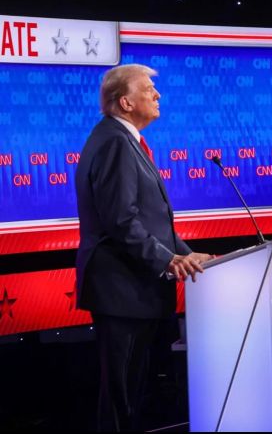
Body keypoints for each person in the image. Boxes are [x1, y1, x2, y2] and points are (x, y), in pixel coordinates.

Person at [75, 64, 212, 431]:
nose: (157, 94)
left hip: (133, 289)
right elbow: (121, 221)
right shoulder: (115, 142)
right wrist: (168, 261)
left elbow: (149, 220)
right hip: (121, 289)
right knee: (121, 399)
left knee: (132, 393)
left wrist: (183, 253)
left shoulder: (121, 139)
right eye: (148, 88)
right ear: (125, 101)